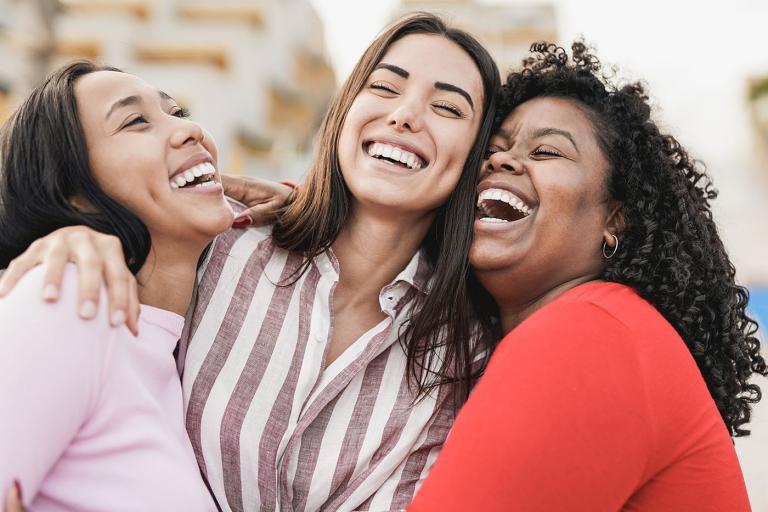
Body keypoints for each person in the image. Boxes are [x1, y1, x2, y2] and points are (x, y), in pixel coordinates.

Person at [0, 13, 501, 511]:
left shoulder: (468, 351)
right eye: (385, 88)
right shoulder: (217, 245)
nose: (406, 115)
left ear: (478, 156)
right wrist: (64, 239)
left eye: (447, 108)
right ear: (344, 109)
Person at [407, 42, 766, 511]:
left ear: (614, 219)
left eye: (547, 151)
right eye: (493, 149)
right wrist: (311, 213)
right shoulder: (588, 328)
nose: (501, 161)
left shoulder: (588, 332)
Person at [0, 61, 233, 510]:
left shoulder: (164, 348)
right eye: (135, 121)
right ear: (76, 194)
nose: (192, 131)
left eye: (178, 112)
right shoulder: (65, 298)